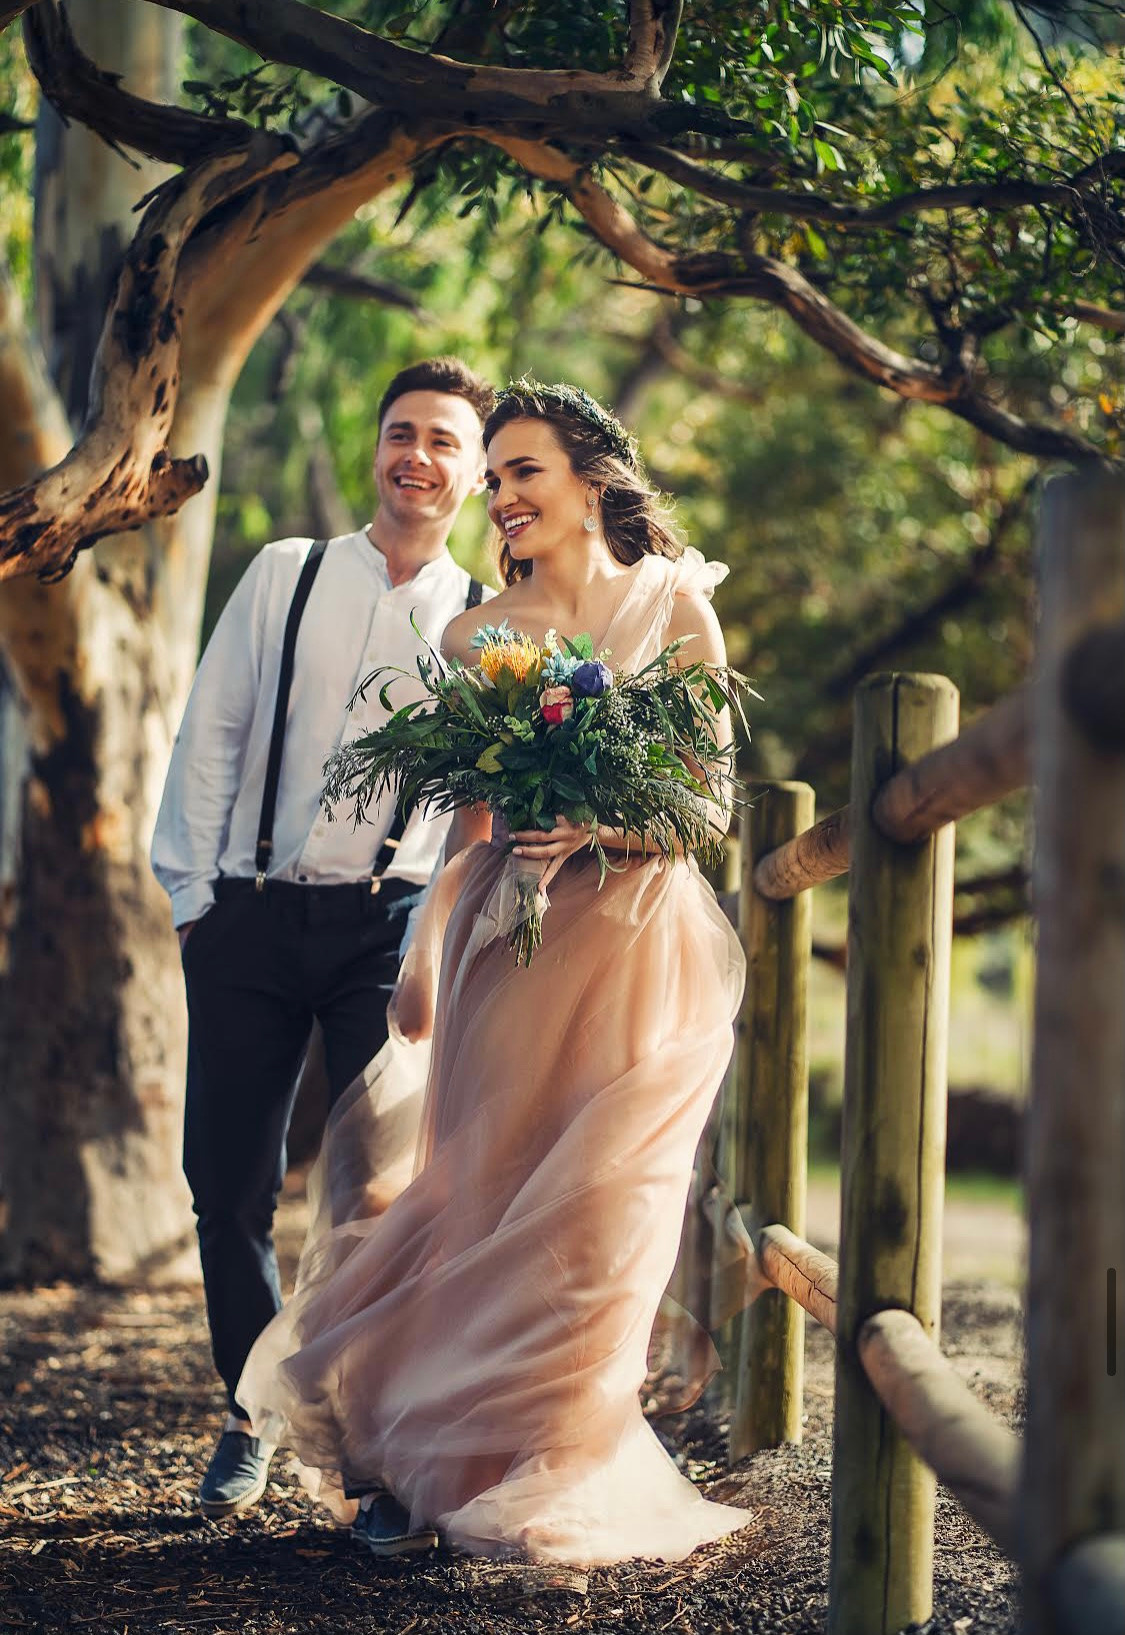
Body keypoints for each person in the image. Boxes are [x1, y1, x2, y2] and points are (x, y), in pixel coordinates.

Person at [237, 381, 753, 1564]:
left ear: (590, 480)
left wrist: (596, 828)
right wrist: (425, 953)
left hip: (640, 943)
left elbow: (710, 807)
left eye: (526, 472)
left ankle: (556, 1463)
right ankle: (442, 1454)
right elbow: (469, 820)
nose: (503, 496)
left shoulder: (677, 604)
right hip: (510, 939)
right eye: (499, 477)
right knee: (488, 1191)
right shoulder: (478, 638)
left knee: (605, 1208)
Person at [150, 356, 496, 1520]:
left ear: (475, 472)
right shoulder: (285, 573)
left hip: (385, 933)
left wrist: (438, 946)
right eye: (403, 432)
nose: (418, 457)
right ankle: (250, 1414)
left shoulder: (485, 626)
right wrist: (194, 900)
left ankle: (374, 1452)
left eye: (445, 441)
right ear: (377, 446)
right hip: (246, 914)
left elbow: (478, 809)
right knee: (227, 1185)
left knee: (374, 1201)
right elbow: (212, 729)